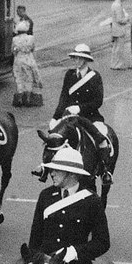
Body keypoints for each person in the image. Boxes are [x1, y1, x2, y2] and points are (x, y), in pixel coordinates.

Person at [51, 43, 115, 183]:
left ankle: (105, 170)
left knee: (102, 137)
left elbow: (98, 101)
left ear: (85, 60)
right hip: (70, 117)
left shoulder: (95, 77)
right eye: (75, 58)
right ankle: (47, 169)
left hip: (90, 117)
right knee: (54, 137)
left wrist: (80, 108)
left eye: (79, 58)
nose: (76, 61)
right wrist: (55, 117)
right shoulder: (69, 75)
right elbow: (63, 97)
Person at [11, 20, 42, 107]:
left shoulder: (15, 39)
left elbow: (12, 50)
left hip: (18, 60)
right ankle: (28, 99)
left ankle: (20, 99)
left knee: (19, 79)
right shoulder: (31, 38)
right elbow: (33, 48)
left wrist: (17, 51)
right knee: (29, 79)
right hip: (29, 59)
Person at [109, 0, 132, 70]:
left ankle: (113, 64)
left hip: (115, 29)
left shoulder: (114, 4)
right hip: (119, 30)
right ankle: (118, 65)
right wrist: (127, 19)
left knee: (115, 48)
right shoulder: (118, 5)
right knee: (119, 49)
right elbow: (120, 20)